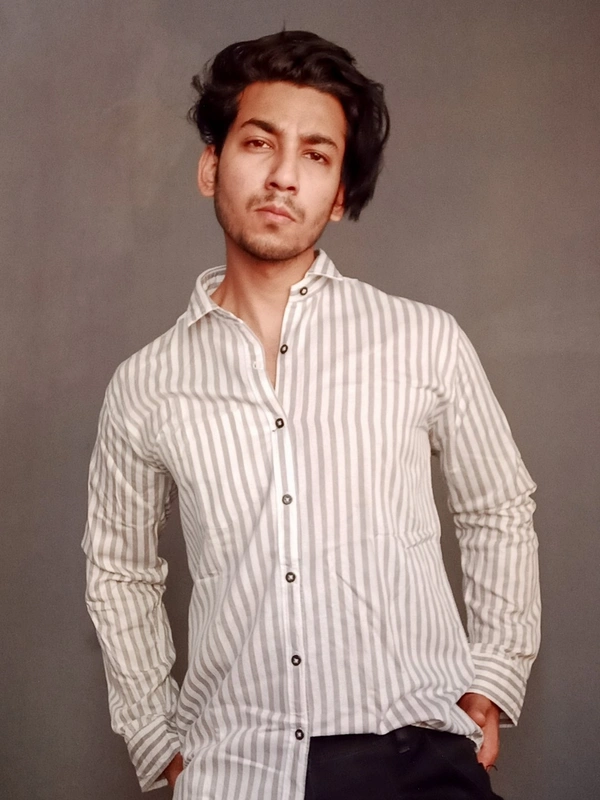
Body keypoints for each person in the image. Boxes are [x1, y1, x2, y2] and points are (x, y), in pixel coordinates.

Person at [82, 30, 540, 800]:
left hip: (415, 759)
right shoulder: (145, 385)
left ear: (339, 196)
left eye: (317, 155)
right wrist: (156, 736)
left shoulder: (423, 339)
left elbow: (497, 506)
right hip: (238, 771)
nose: (283, 176)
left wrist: (492, 676)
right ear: (211, 165)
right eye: (259, 142)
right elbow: (120, 570)